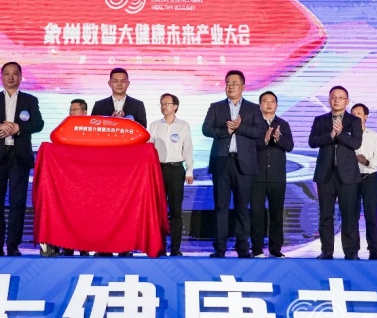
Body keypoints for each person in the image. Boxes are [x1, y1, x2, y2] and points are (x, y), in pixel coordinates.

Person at [0, 62, 44, 256]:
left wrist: (18, 128)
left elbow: (38, 124)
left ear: (21, 77)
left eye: (15, 74)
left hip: (19, 158)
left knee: (18, 202)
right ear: (1, 77)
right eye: (7, 73)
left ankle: (13, 245)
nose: (11, 77)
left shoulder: (30, 100)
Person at [202, 70, 264, 258]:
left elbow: (260, 131)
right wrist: (226, 131)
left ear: (243, 87)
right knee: (221, 207)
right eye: (228, 83)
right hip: (222, 162)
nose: (230, 86)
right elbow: (206, 129)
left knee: (242, 207)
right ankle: (219, 248)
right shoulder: (216, 107)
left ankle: (242, 247)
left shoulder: (253, 108)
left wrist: (239, 127)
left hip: (244, 164)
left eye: (234, 83)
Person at [92, 68, 146, 257]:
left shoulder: (137, 105)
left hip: (128, 165)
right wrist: (110, 123)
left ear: (128, 83)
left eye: (123, 81)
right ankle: (103, 247)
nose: (119, 84)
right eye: (115, 81)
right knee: (104, 205)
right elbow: (93, 134)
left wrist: (126, 125)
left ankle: (125, 246)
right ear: (109, 83)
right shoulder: (100, 106)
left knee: (126, 205)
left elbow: (143, 134)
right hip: (105, 165)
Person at [309, 86, 363, 260]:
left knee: (349, 215)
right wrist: (331, 135)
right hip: (325, 174)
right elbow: (312, 142)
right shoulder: (320, 120)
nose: (336, 100)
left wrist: (341, 133)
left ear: (347, 101)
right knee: (326, 214)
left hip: (348, 175)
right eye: (333, 97)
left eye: (341, 97)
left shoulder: (354, 121)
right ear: (329, 100)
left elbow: (356, 143)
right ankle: (327, 251)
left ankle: (351, 252)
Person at [149, 93, 194, 257]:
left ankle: (175, 249)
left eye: (167, 103)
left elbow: (187, 148)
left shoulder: (183, 126)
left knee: (175, 211)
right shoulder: (155, 125)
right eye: (162, 103)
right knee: (158, 212)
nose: (164, 106)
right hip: (158, 171)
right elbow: (149, 148)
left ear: (175, 106)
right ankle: (159, 247)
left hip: (176, 170)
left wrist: (189, 170)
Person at [250, 91, 293, 258]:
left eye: (272, 101)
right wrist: (265, 140)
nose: (268, 104)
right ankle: (257, 249)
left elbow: (289, 146)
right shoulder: (253, 124)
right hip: (257, 177)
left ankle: (275, 249)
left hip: (277, 177)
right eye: (265, 101)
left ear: (276, 105)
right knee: (257, 214)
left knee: (276, 214)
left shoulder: (283, 124)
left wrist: (278, 138)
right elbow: (247, 148)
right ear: (259, 105)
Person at [350, 103, 377, 260]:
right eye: (353, 114)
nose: (355, 116)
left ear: (366, 116)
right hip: (351, 179)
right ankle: (352, 250)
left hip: (370, 178)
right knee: (352, 216)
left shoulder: (374, 136)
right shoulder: (346, 135)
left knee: (371, 216)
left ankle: (374, 250)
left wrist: (366, 161)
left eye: (359, 113)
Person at [60, 99, 91, 257]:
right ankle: (68, 246)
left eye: (75, 109)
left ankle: (84, 247)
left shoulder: (92, 129)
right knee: (68, 213)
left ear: (84, 112)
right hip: (68, 178)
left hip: (86, 179)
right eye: (70, 109)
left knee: (85, 215)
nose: (72, 112)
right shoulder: (64, 128)